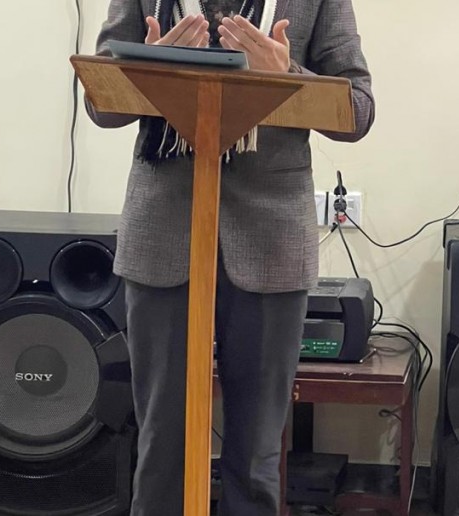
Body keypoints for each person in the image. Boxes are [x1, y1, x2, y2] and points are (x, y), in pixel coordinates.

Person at [86, 1, 374, 514]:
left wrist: (288, 74)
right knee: (160, 444)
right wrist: (145, 69)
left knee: (258, 453)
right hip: (163, 228)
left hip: (271, 235)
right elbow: (100, 103)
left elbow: (358, 111)